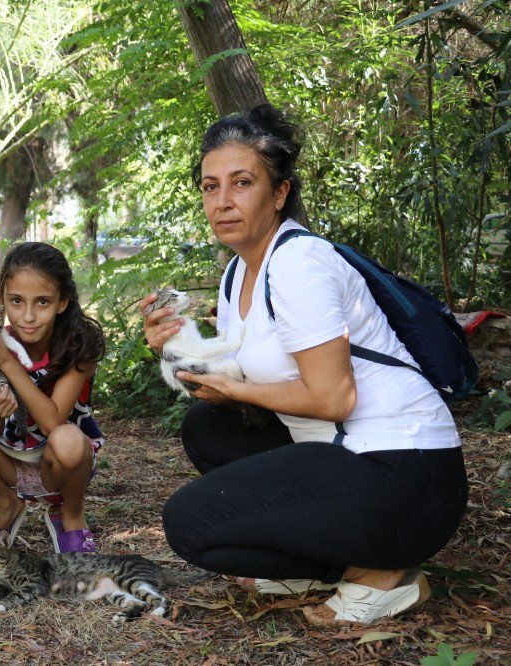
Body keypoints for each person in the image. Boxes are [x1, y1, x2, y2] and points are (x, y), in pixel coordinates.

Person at [141, 105, 468, 625]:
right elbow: (238, 373)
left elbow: (334, 397)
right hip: (343, 455)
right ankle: (327, 565)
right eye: (210, 187)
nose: (223, 202)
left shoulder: (299, 262)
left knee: (189, 524)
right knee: (208, 427)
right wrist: (175, 344)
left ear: (279, 193)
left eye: (242, 183)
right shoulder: (238, 274)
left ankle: (387, 574)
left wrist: (237, 390)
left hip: (407, 474)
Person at [0, 242, 106, 553]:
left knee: (67, 438)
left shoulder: (79, 345)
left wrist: (9, 364)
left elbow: (54, 423)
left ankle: (71, 515)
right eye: (16, 301)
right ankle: (5, 506)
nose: (27, 316)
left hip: (61, 464)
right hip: (11, 459)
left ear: (62, 302)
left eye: (42, 302)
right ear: (3, 301)